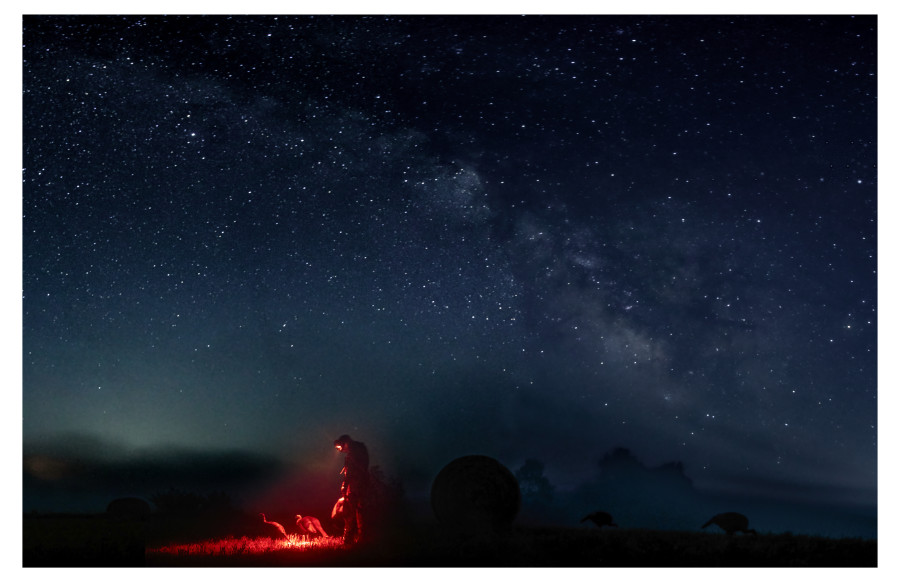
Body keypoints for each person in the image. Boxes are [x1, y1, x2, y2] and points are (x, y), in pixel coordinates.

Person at [334, 434, 369, 544]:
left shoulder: (354, 453)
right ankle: (361, 537)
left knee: (349, 511)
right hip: (362, 483)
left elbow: (351, 471)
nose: (340, 450)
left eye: (341, 447)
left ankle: (348, 538)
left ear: (346, 443)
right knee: (360, 510)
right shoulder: (359, 449)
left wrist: (345, 484)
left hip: (355, 484)